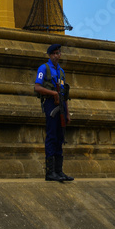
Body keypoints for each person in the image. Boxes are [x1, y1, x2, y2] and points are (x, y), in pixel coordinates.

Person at [34, 42, 74, 182]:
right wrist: (52, 93)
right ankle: (50, 172)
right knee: (51, 136)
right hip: (51, 103)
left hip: (61, 105)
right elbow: (37, 87)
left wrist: (68, 113)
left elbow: (65, 94)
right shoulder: (43, 68)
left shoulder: (61, 71)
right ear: (50, 55)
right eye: (55, 53)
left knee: (60, 137)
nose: (58, 55)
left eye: (59, 53)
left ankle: (59, 171)